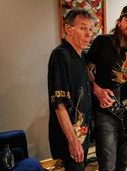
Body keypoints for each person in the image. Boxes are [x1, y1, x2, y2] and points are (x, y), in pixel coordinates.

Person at [86, 4, 127, 171]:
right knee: (107, 164)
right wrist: (96, 89)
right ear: (119, 22)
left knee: (123, 162)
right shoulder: (102, 42)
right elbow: (86, 69)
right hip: (107, 112)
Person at [48, 8, 94, 170]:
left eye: (90, 29)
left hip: (82, 133)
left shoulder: (80, 56)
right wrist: (73, 141)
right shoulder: (60, 56)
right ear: (69, 29)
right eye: (83, 28)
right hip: (69, 138)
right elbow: (59, 104)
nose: (88, 34)